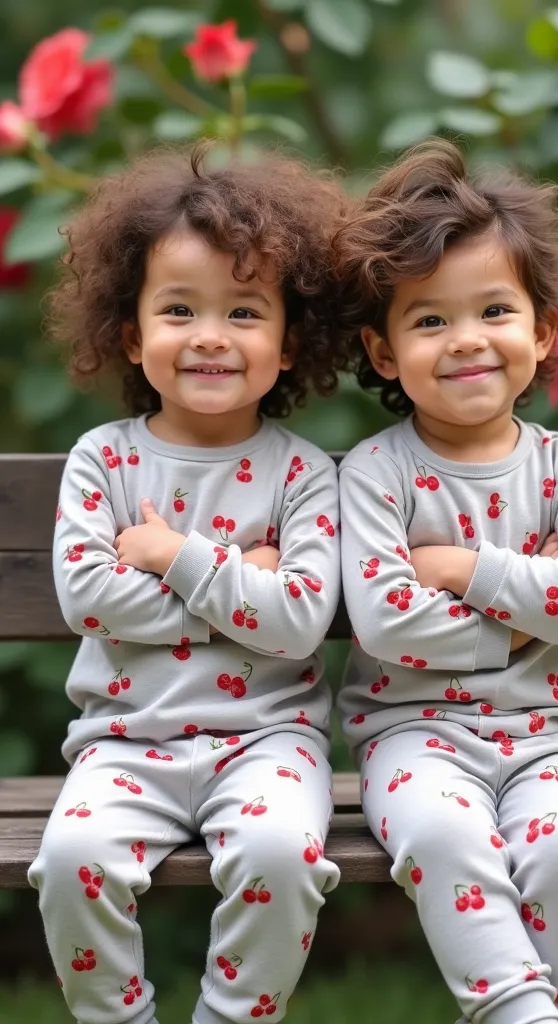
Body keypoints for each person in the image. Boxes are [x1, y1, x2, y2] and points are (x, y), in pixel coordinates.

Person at [28, 144, 346, 1024]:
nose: (210, 334)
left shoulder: (304, 474)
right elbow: (89, 598)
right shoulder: (106, 459)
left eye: (245, 311)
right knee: (69, 862)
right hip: (126, 744)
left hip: (271, 743)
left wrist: (169, 554)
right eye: (179, 309)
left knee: (284, 858)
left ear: (289, 343)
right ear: (132, 335)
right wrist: (243, 578)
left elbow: (297, 624)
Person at [334, 139, 558, 1023]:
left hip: (553, 736)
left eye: (494, 310)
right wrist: (526, 623)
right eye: (428, 321)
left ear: (540, 331)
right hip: (412, 735)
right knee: (446, 837)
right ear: (383, 353)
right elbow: (388, 623)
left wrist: (462, 568)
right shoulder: (375, 476)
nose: (465, 340)